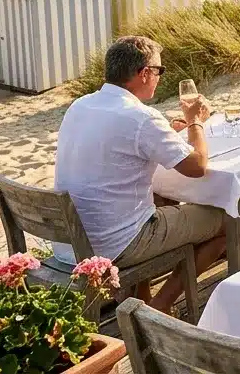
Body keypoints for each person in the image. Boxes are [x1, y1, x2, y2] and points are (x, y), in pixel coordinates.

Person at [53, 36, 225, 314]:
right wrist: (195, 122)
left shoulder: (80, 106)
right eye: (158, 71)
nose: (158, 77)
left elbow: (119, 145)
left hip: (69, 242)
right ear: (144, 73)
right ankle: (158, 308)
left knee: (159, 202)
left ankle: (139, 302)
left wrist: (166, 132)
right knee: (224, 220)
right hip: (113, 244)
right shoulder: (141, 116)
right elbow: (197, 166)